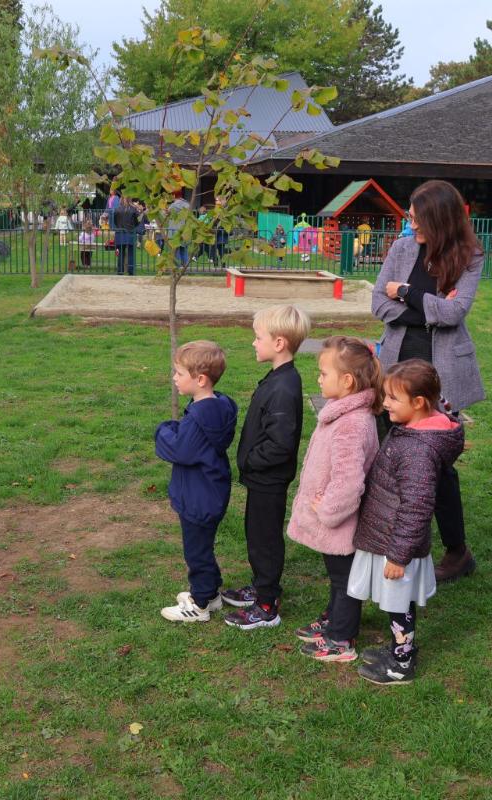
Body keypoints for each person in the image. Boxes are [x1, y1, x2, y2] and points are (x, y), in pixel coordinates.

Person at [371, 179, 483, 583]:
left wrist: (405, 292)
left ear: (440, 219)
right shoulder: (402, 249)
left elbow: (454, 314)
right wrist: (427, 307)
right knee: (390, 457)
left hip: (440, 377)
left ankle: (457, 551)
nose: (411, 223)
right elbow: (377, 303)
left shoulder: (469, 256)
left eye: (418, 218)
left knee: (436, 466)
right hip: (395, 369)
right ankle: (391, 540)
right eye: (410, 216)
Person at [349, 360, 463, 684]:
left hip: (398, 545)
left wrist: (399, 556)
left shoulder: (417, 451)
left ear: (419, 403)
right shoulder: (412, 431)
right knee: (397, 602)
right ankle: (400, 648)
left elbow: (416, 507)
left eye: (392, 398)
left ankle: (401, 664)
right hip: (391, 536)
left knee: (399, 602)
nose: (385, 403)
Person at [287, 336, 383, 662]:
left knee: (346, 580)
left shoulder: (352, 424)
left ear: (347, 381)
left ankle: (342, 638)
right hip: (332, 520)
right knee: (338, 575)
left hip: (341, 521)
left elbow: (348, 481)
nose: (318, 378)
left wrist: (328, 509)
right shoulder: (341, 413)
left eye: (323, 373)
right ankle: (334, 618)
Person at [222, 304, 310, 629]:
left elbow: (280, 444)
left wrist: (249, 461)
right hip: (261, 478)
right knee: (256, 534)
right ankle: (261, 586)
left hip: (269, 480)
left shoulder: (285, 387)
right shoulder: (278, 378)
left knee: (265, 540)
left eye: (258, 337)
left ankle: (267, 604)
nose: (253, 342)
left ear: (279, 343)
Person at [155, 342, 239, 622]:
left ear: (200, 379)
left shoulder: (199, 417)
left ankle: (199, 604)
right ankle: (211, 595)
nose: (174, 378)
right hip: (208, 491)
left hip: (198, 497)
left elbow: (179, 449)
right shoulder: (214, 407)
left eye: (179, 373)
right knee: (202, 546)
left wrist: (163, 429)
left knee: (196, 551)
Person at [112, 197, 141, 275]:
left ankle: (120, 271)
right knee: (131, 253)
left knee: (121, 253)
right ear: (130, 200)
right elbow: (138, 221)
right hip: (130, 232)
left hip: (120, 233)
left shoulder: (117, 209)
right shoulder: (134, 209)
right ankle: (131, 271)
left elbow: (115, 221)